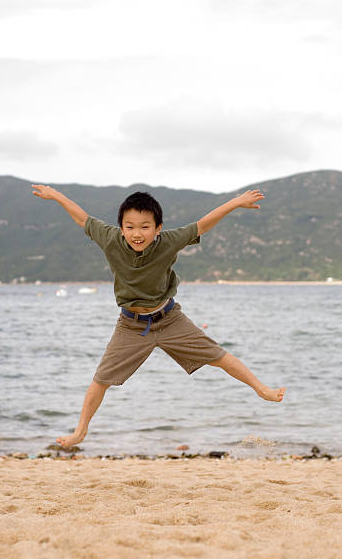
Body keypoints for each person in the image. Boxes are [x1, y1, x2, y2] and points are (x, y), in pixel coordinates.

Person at [31, 184, 286, 449]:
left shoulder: (169, 241)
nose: (137, 233)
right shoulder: (109, 239)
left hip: (169, 319)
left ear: (158, 228)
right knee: (101, 379)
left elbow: (203, 225)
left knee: (217, 355)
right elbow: (82, 218)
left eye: (144, 226)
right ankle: (80, 431)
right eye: (129, 227)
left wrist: (236, 202)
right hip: (131, 325)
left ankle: (260, 388)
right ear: (121, 228)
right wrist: (57, 196)